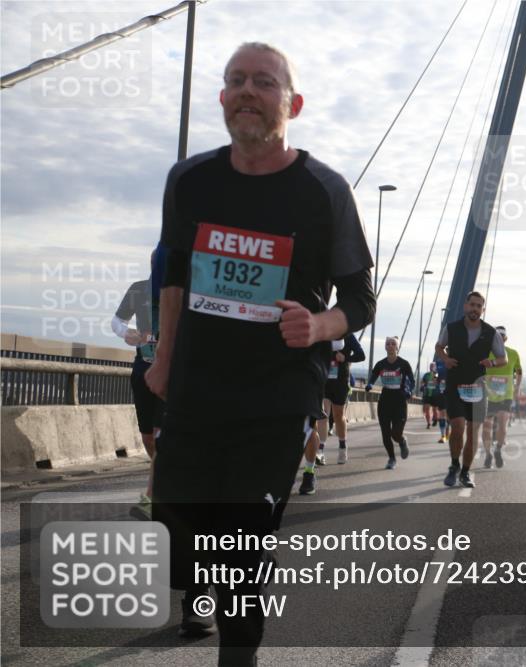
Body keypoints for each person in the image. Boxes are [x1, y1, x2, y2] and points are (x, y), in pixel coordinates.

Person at [144, 42, 375, 665]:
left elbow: (360, 296)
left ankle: (238, 651)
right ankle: (201, 584)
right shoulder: (188, 179)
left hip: (277, 391)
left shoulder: (325, 190)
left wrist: (321, 324)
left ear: (292, 104)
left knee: (244, 541)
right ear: (222, 98)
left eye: (265, 83)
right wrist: (163, 358)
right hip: (196, 381)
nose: (249, 90)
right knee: (177, 524)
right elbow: (171, 272)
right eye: (237, 80)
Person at [112, 247, 166, 519]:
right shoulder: (139, 289)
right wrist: (128, 334)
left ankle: (152, 496)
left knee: (160, 433)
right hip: (142, 367)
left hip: (171, 372)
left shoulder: (183, 292)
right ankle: (160, 479)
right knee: (147, 435)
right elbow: (117, 321)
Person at [435, 291, 506, 488]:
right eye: (472, 305)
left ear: (482, 309)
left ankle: (465, 472)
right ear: (466, 306)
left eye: (479, 306)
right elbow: (439, 346)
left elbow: (503, 358)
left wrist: (491, 362)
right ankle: (454, 465)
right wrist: (445, 359)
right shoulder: (451, 328)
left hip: (477, 388)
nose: (475, 309)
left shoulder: (491, 333)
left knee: (473, 431)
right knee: (457, 427)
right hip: (455, 385)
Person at [366, 336, 415, 469]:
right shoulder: (381, 364)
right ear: (385, 347)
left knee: (396, 433)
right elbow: (373, 377)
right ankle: (392, 459)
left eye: (393, 343)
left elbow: (412, 380)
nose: (391, 345)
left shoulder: (404, 364)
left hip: (399, 399)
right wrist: (369, 384)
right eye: (388, 343)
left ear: (397, 347)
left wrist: (409, 391)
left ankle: (402, 440)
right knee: (386, 433)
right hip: (385, 398)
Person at [321, 332, 365, 465]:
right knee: (322, 414)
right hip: (324, 380)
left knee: (338, 415)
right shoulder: (324, 333)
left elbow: (361, 355)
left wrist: (346, 357)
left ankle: (342, 447)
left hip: (340, 381)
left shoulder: (349, 336)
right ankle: (320, 451)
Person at [481, 325, 522, 469]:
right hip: (487, 395)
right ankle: (488, 454)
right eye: (496, 336)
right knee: (487, 426)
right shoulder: (485, 352)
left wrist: (517, 388)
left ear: (505, 338)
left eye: (502, 336)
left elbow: (519, 371)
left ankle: (498, 450)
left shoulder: (513, 353)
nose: (499, 338)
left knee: (503, 426)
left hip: (506, 395)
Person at [432, 358, 449, 443]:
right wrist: (436, 378)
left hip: (453, 392)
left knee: (450, 415)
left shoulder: (456, 359)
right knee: (442, 414)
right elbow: (435, 373)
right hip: (441, 391)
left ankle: (447, 433)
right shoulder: (438, 362)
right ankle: (443, 436)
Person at [420, 362, 436, 428]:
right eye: (430, 366)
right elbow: (422, 382)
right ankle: (428, 423)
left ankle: (435, 419)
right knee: (427, 409)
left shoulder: (437, 374)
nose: (431, 367)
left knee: (435, 409)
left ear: (435, 367)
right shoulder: (426, 375)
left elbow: (440, 382)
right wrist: (422, 385)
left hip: (435, 395)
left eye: (433, 366)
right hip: (427, 394)